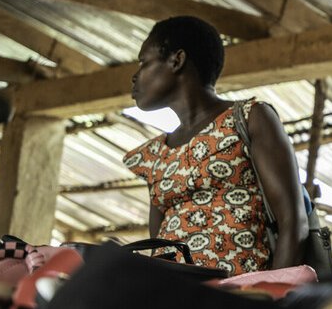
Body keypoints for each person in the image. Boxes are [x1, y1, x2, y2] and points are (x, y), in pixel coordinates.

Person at [123, 16, 308, 274]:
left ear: (177, 60)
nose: (135, 76)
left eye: (144, 62)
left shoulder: (248, 118)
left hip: (239, 296)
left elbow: (293, 222)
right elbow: (159, 244)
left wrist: (271, 295)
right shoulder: (154, 154)